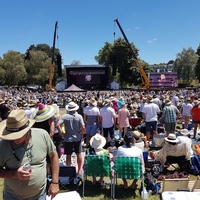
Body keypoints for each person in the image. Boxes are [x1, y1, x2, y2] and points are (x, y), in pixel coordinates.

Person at [0, 109, 59, 200]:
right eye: (11, 135)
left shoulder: (42, 135)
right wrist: (14, 174)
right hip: (13, 197)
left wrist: (55, 182)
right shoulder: (3, 145)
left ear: (27, 130)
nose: (14, 138)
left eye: (18, 135)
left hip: (39, 196)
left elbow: (54, 155)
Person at [57, 101, 85, 177]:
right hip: (77, 137)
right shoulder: (79, 116)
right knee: (78, 153)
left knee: (68, 155)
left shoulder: (64, 116)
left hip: (68, 138)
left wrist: (62, 133)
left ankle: (69, 169)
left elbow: (58, 125)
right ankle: (79, 170)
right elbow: (83, 127)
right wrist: (82, 133)